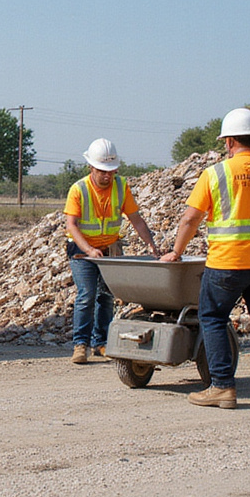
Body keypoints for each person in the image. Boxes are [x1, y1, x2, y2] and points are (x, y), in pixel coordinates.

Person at [160, 108, 250, 409]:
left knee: (212, 319)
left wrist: (176, 251)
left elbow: (190, 219)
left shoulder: (216, 173)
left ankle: (223, 387)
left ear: (228, 142)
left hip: (227, 262)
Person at [65, 138, 161, 364]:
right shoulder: (78, 189)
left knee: (106, 297)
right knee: (86, 295)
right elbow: (71, 225)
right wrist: (88, 249)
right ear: (91, 168)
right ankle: (81, 345)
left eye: (111, 171)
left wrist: (151, 245)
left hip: (110, 249)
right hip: (81, 252)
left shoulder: (121, 186)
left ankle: (101, 343)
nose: (108, 176)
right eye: (103, 172)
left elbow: (135, 219)